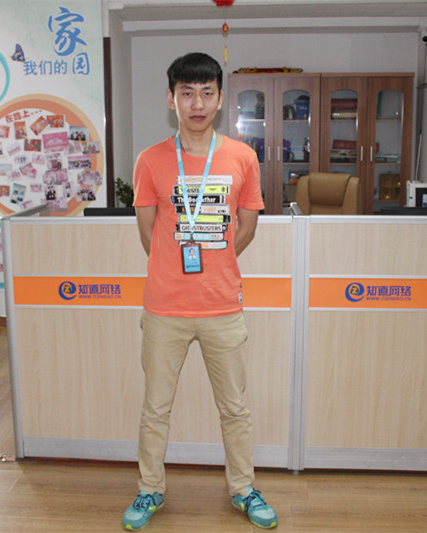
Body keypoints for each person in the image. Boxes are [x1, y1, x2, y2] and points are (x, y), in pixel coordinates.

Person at [122, 52, 278, 531]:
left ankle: (243, 489)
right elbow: (149, 233)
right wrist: (177, 265)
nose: (197, 103)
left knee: (235, 408)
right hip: (164, 307)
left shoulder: (243, 158)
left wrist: (213, 262)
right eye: (186, 93)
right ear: (171, 99)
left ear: (220, 98)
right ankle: (150, 489)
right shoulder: (150, 160)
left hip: (222, 307)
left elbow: (246, 229)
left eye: (206, 93)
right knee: (155, 408)